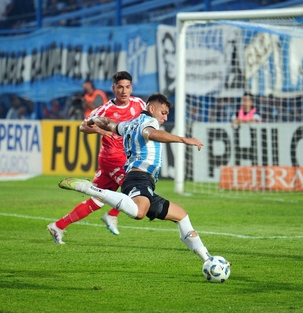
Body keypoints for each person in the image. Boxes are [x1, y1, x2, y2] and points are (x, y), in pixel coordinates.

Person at [58, 93, 215, 264]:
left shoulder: (129, 124)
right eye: (163, 112)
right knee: (139, 213)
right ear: (152, 108)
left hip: (140, 180)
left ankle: (207, 259)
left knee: (181, 216)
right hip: (139, 178)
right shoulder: (149, 123)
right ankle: (91, 189)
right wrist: (184, 140)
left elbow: (109, 123)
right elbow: (151, 134)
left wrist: (94, 120)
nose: (165, 117)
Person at [47, 71, 147, 244]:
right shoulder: (105, 109)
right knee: (134, 191)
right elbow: (82, 127)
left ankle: (58, 226)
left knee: (97, 199)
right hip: (113, 157)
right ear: (113, 88)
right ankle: (111, 214)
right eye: (120, 87)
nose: (124, 91)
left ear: (131, 88)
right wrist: (102, 130)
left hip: (126, 156)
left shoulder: (138, 103)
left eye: (127, 87)